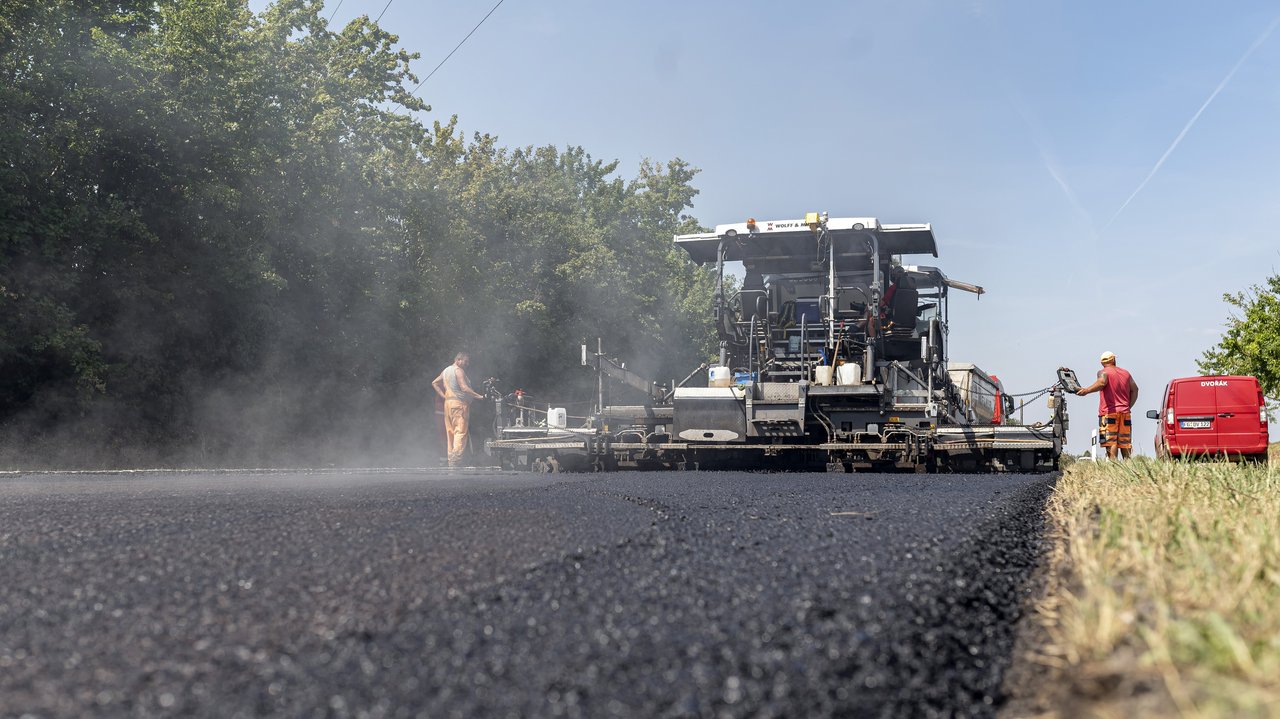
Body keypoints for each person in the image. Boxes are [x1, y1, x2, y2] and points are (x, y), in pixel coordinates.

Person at [1075, 351, 1139, 459]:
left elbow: (1101, 382)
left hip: (1109, 413)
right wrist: (1128, 406)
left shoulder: (1103, 372)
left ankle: (1113, 467)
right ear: (1113, 360)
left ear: (1102, 363)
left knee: (1111, 441)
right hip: (1125, 413)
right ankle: (1128, 467)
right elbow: (1135, 390)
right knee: (1125, 442)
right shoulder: (1126, 373)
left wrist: (1086, 390)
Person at [432, 352, 485, 467]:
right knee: (460, 431)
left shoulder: (446, 370)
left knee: (450, 432)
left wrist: (444, 396)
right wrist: (480, 396)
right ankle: (456, 459)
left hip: (448, 404)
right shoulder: (459, 371)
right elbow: (464, 388)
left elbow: (434, 383)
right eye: (466, 361)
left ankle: (451, 461)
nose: (467, 364)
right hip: (459, 404)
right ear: (458, 360)